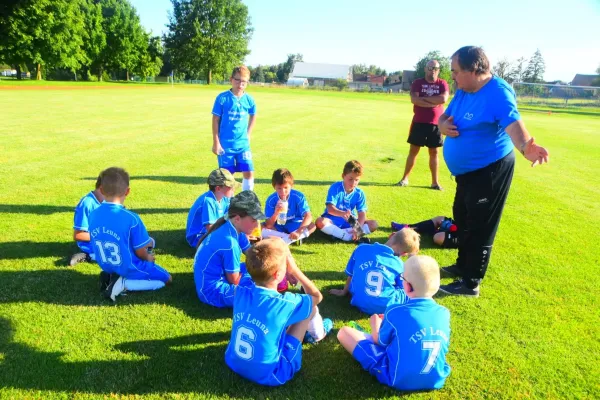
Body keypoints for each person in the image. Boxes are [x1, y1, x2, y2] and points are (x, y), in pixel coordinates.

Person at [437, 46, 549, 297]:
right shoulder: (464, 90)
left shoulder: (497, 92)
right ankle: (462, 266)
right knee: (462, 218)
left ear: (473, 69)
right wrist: (442, 125)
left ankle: (470, 283)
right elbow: (445, 116)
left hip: (490, 170)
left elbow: (513, 122)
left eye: (455, 71)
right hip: (467, 174)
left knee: (480, 225)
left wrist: (525, 147)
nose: (452, 76)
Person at [224, 238, 333, 386]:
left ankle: (308, 332)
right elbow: (316, 297)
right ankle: (318, 334)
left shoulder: (240, 290)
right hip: (272, 374)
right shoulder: (284, 303)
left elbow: (258, 264)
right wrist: (294, 270)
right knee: (309, 308)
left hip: (233, 362)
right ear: (278, 275)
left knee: (293, 313)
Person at [337, 255, 451, 392]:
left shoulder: (394, 312)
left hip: (396, 378)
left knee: (344, 332)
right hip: (436, 378)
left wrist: (375, 324)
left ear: (407, 287)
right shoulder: (444, 313)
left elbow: (379, 342)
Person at [88, 167, 172, 302]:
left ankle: (112, 276)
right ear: (127, 191)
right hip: (129, 266)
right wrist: (149, 257)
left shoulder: (93, 214)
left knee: (147, 243)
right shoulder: (131, 218)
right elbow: (141, 252)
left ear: (101, 190)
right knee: (166, 280)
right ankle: (123, 284)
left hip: (106, 263)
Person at [193, 190, 264, 308]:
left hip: (217, 279)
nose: (257, 225)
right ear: (237, 218)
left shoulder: (232, 227)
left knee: (259, 270)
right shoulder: (230, 243)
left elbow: (251, 253)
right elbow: (235, 281)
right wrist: (260, 275)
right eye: (253, 220)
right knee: (258, 292)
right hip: (212, 292)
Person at [330, 228, 420, 315]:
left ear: (391, 235)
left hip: (358, 301)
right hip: (385, 307)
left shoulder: (361, 249)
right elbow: (403, 287)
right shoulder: (399, 264)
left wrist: (343, 291)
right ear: (404, 254)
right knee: (410, 288)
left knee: (357, 278)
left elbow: (350, 274)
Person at [397, 60, 449, 190]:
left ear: (438, 70)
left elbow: (443, 99)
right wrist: (433, 101)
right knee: (413, 151)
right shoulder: (418, 83)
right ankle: (405, 179)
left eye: (435, 68)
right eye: (430, 67)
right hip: (419, 122)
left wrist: (423, 100)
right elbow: (414, 100)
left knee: (434, 152)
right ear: (425, 69)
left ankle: (435, 182)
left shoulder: (442, 83)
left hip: (436, 124)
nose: (433, 70)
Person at [211, 65, 257, 191]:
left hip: (243, 144)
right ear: (231, 79)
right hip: (225, 145)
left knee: (248, 171)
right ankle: (228, 202)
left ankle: (247, 200)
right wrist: (216, 142)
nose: (240, 84)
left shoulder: (249, 100)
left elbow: (253, 115)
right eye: (237, 80)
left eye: (244, 81)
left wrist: (248, 134)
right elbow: (215, 120)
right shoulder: (222, 98)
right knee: (227, 176)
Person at [315, 160, 378, 243]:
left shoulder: (359, 193)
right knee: (320, 222)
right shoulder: (335, 187)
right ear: (343, 176)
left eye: (357, 180)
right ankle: (348, 237)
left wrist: (357, 228)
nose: (353, 183)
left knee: (374, 224)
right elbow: (330, 209)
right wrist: (342, 213)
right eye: (350, 179)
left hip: (350, 220)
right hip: (333, 219)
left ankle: (340, 235)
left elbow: (362, 213)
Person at [185, 168, 238, 249]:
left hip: (212, 231)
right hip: (198, 237)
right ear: (218, 188)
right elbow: (210, 228)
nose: (233, 189)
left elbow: (231, 216)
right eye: (230, 187)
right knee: (229, 243)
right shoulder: (208, 201)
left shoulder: (225, 198)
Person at [262, 168, 316, 245]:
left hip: (295, 224)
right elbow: (269, 224)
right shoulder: (271, 199)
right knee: (260, 226)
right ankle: (290, 238)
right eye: (279, 188)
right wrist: (276, 213)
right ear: (274, 187)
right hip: (278, 226)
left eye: (286, 188)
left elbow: (308, 215)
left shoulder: (298, 196)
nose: (283, 191)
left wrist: (298, 231)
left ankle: (284, 240)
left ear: (291, 185)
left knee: (312, 226)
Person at [70, 174, 104, 266]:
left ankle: (148, 254)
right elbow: (78, 235)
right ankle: (88, 256)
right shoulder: (87, 204)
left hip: (107, 239)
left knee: (143, 242)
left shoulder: (107, 202)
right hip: (92, 244)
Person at [391, 216, 458, 248]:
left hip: (464, 234)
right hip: (458, 226)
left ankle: (434, 231)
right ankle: (408, 227)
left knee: (438, 238)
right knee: (440, 219)